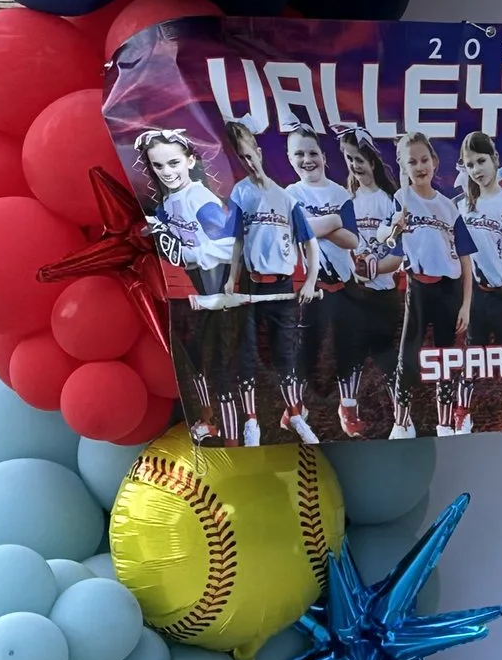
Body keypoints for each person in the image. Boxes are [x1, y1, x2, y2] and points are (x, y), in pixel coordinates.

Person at [133, 128, 235, 443]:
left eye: (174, 163)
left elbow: (229, 244)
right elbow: (168, 237)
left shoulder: (200, 198)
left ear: (190, 161)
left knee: (215, 356)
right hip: (188, 287)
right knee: (195, 354)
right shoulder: (168, 203)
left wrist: (189, 253)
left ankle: (232, 433)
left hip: (213, 283)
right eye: (158, 166)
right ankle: (208, 420)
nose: (167, 172)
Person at [223, 121, 317, 447]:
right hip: (251, 286)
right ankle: (251, 421)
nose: (249, 163)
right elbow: (235, 240)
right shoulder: (240, 193)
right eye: (241, 159)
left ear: (259, 153)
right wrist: (231, 280)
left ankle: (294, 415)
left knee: (285, 355)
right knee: (246, 355)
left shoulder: (286, 198)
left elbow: (309, 243)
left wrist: (310, 281)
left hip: (283, 286)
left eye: (251, 156)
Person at [392, 132, 471, 439]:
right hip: (419, 289)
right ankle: (401, 423)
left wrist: (465, 304)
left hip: (449, 292)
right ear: (404, 167)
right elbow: (390, 248)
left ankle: (445, 423)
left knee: (445, 358)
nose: (420, 166)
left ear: (435, 162)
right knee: (408, 356)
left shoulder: (449, 208)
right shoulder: (400, 202)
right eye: (412, 162)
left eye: (425, 159)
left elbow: (465, 261)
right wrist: (393, 232)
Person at [284, 128, 358, 435]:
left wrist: (313, 225)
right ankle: (297, 407)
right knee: (306, 348)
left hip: (344, 285)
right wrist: (332, 221)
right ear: (290, 159)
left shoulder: (341, 194)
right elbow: (290, 233)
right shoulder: (289, 194)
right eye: (299, 154)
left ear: (324, 157)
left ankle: (349, 405)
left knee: (348, 347)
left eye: (313, 153)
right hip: (310, 287)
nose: (307, 159)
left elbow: (351, 240)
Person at [453, 131, 502, 434]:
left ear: (495, 159)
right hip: (479, 296)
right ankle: (461, 413)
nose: (477, 169)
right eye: (470, 164)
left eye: (481, 161)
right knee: (473, 356)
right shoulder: (463, 206)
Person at [332, 129, 404, 438]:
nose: (354, 165)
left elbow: (398, 256)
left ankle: (401, 415)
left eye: (359, 159)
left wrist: (373, 268)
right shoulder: (345, 200)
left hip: (384, 294)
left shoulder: (390, 201)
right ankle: (347, 407)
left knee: (388, 355)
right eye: (349, 159)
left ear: (372, 161)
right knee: (351, 352)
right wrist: (353, 267)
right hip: (352, 293)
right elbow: (338, 245)